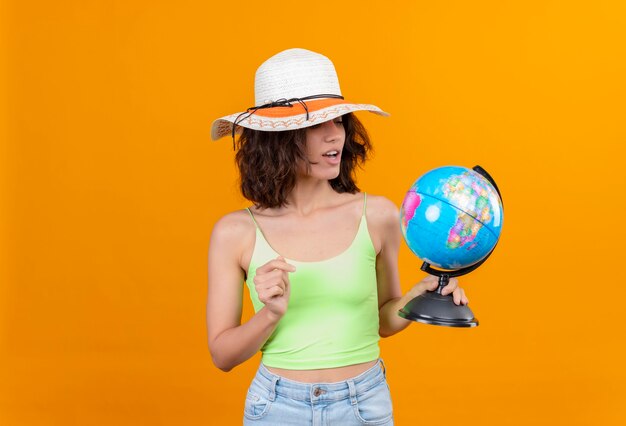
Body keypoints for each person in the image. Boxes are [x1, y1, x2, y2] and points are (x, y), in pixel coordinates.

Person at [206, 48, 468, 425]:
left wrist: (417, 296)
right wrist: (270, 315)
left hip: (364, 404)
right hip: (277, 408)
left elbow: (383, 321)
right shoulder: (235, 232)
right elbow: (222, 356)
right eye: (316, 125)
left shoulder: (377, 215)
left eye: (340, 121)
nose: (335, 135)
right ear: (278, 139)